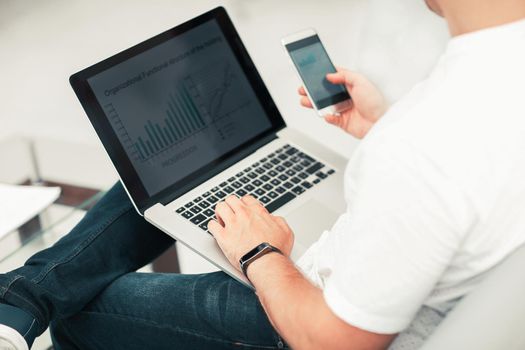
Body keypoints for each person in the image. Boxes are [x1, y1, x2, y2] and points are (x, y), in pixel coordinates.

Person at [2, 0, 525, 349]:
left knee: (85, 310)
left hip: (313, 317)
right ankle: (21, 297)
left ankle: (24, 300)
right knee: (167, 182)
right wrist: (383, 130)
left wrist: (260, 254)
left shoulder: (421, 145)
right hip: (402, 266)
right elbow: (472, 164)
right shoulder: (488, 77)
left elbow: (334, 341)